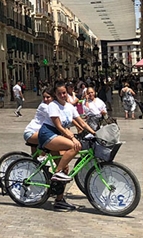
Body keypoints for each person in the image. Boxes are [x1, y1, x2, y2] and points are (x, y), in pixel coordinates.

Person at [37, 82, 96, 211]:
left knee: (66, 168)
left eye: (64, 93)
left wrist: (95, 133)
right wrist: (72, 138)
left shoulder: (69, 106)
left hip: (58, 136)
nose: (63, 95)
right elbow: (58, 126)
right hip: (48, 135)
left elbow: (81, 122)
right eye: (59, 93)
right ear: (55, 95)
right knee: (75, 147)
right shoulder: (53, 106)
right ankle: (56, 173)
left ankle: (59, 200)